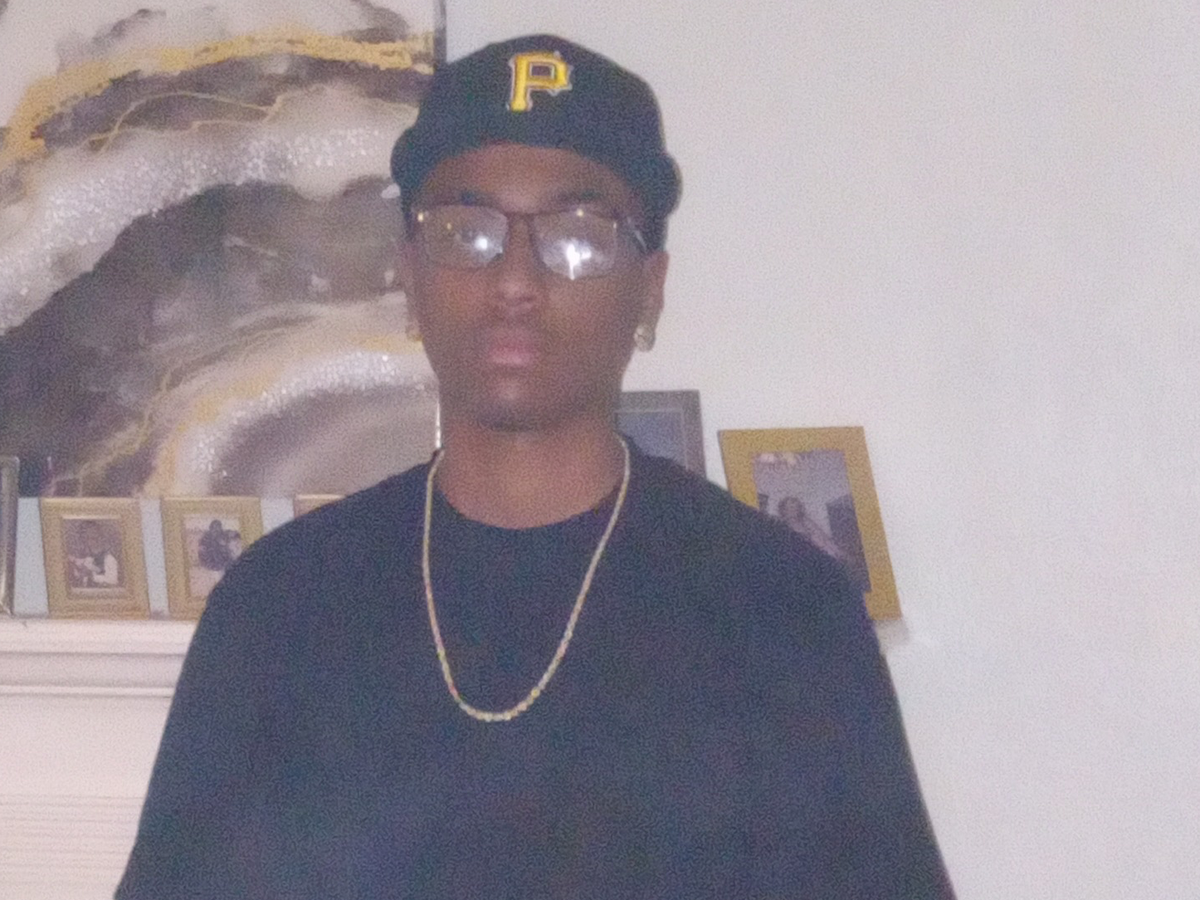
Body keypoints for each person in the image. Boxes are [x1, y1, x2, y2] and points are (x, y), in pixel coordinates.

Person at [117, 35, 954, 899]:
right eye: (467, 232)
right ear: (410, 275)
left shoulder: (782, 611)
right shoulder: (281, 608)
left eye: (578, 236)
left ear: (650, 288)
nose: (515, 279)